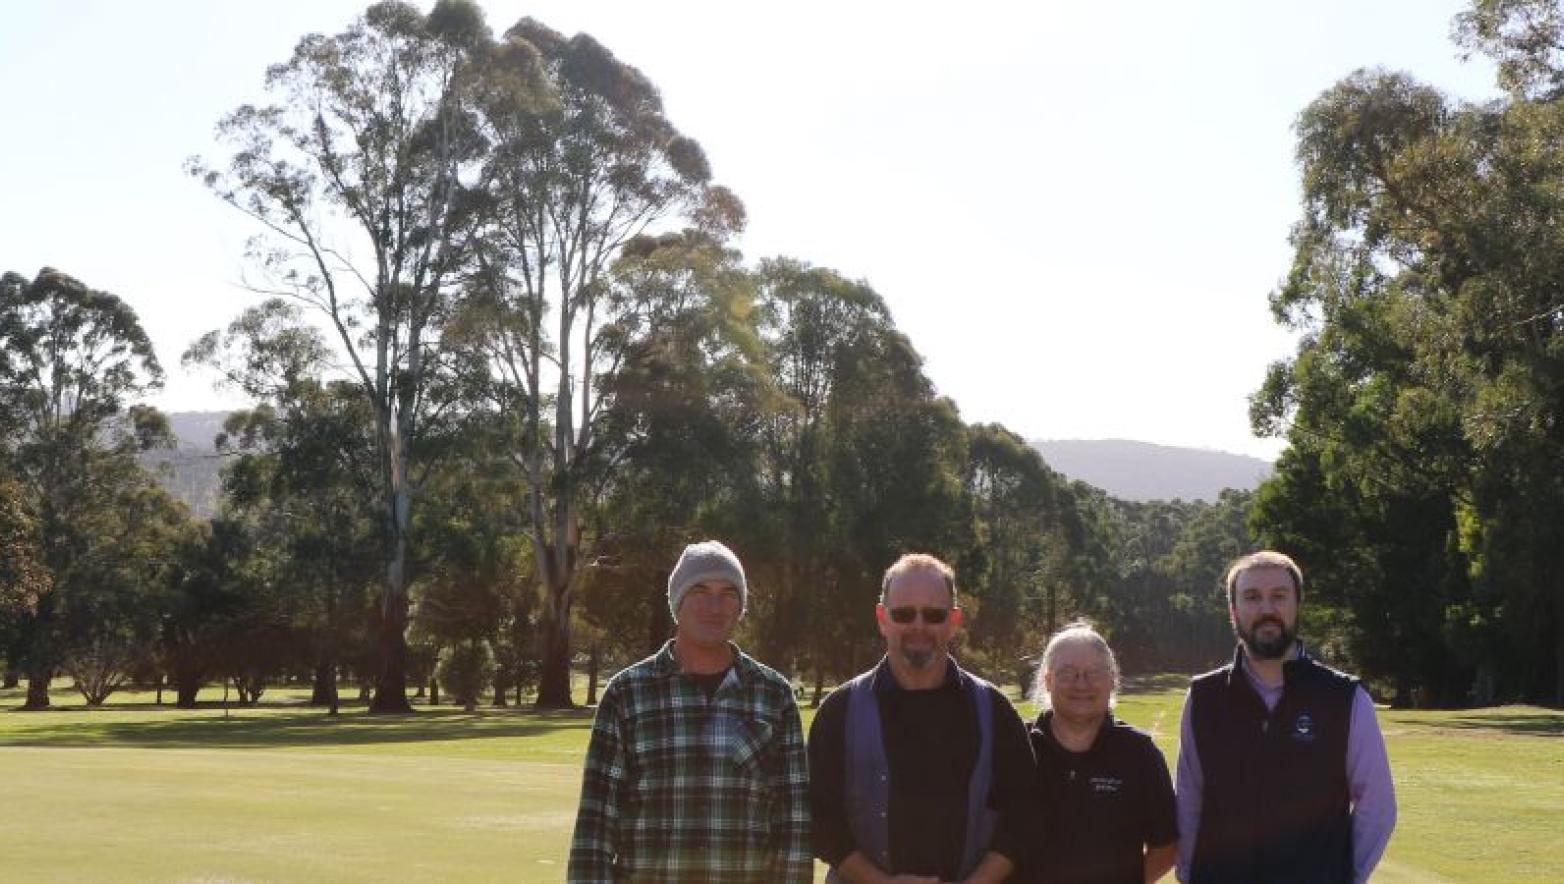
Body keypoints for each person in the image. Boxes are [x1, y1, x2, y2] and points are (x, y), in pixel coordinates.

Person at [567, 540, 811, 883]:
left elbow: (793, 829)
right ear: (677, 602)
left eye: (728, 593)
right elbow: (595, 827)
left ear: (740, 606)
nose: (715, 605)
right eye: (700, 590)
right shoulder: (627, 694)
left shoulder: (774, 696)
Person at [809, 553, 1037, 884]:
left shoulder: (995, 710)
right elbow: (820, 819)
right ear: (882, 618)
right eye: (903, 614)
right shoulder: (839, 711)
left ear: (954, 621)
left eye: (933, 615)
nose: (918, 626)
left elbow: (1023, 816)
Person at [1176, 551, 1396, 884]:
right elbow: (1190, 799)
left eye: (1279, 596)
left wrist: (1341, 876)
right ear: (1233, 611)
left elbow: (1377, 807)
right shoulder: (1204, 698)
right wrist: (1189, 875)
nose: (1267, 609)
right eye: (1252, 597)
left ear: (1297, 607)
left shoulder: (1345, 698)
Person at [1024, 621, 1177, 883]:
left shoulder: (1140, 753)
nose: (1081, 684)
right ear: (1047, 680)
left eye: (1094, 673)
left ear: (1111, 680)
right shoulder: (1017, 746)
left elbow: (1167, 845)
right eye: (1067, 673)